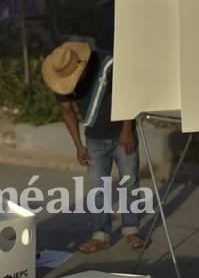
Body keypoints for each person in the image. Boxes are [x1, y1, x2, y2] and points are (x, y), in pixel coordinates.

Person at [41, 41, 145, 254]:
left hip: (122, 135)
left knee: (130, 183)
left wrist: (127, 129)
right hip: (94, 140)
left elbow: (128, 94)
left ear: (83, 65)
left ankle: (131, 229)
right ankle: (101, 235)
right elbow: (68, 112)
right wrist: (79, 145)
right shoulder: (60, 77)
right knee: (99, 188)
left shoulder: (108, 63)